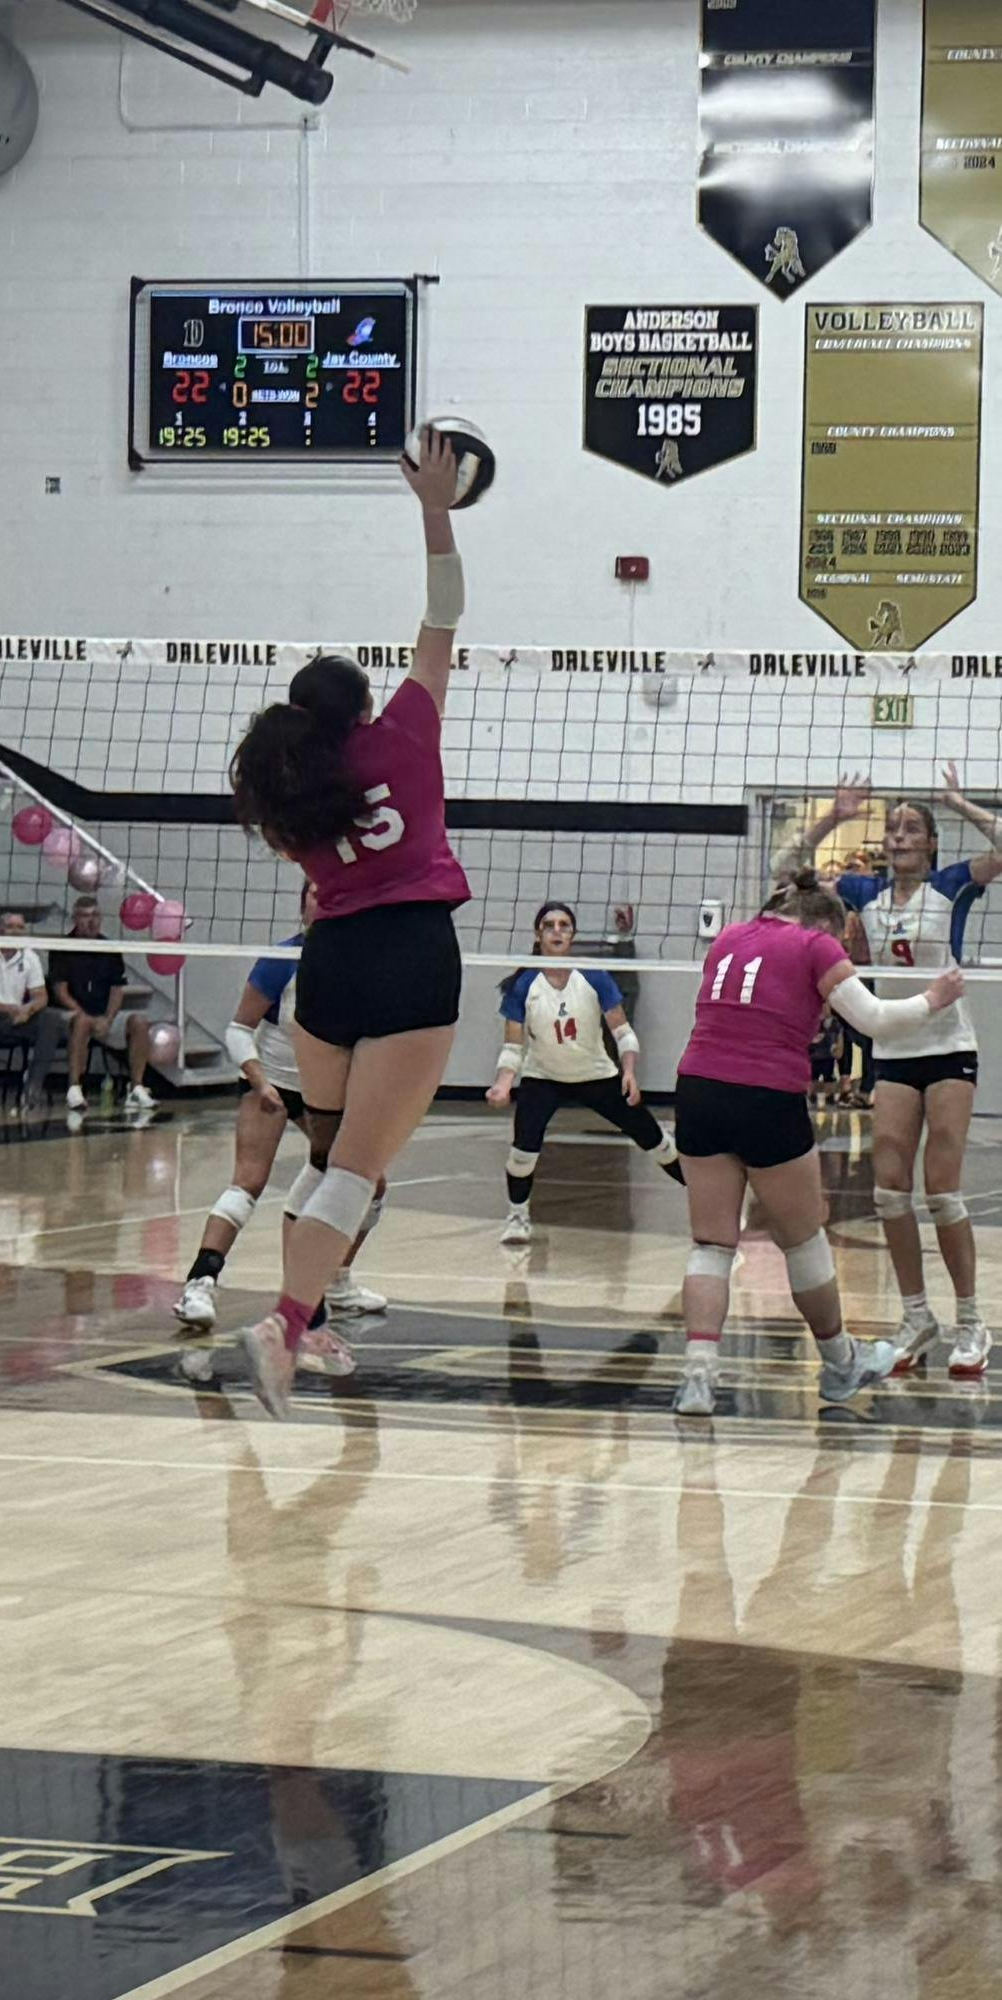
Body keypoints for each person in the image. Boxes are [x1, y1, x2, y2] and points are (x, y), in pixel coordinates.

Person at [229, 426, 469, 1417]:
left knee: (329, 1160)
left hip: (324, 967)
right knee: (358, 1174)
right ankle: (285, 1324)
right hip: (409, 955)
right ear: (364, 703)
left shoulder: (293, 789)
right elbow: (443, 614)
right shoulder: (402, 732)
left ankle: (305, 1319)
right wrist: (434, 509)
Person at [671, 869, 964, 1418]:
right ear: (827, 925)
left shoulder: (730, 937)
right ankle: (840, 1362)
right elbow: (874, 1020)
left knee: (711, 1243)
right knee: (804, 1237)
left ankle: (697, 1380)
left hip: (697, 1087)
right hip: (766, 1094)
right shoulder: (815, 944)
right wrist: (934, 998)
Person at [784, 765, 1002, 1374]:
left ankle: (971, 1321)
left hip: (948, 1047)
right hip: (895, 1051)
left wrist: (960, 803)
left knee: (943, 1191)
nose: (899, 837)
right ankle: (916, 1316)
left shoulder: (953, 886)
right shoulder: (863, 892)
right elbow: (789, 872)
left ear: (930, 843)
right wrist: (834, 817)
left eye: (911, 829)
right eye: (893, 829)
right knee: (888, 1190)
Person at [172, 884, 387, 1366]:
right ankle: (200, 1284)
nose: (323, 899)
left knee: (370, 1183)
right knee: (248, 1181)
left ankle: (337, 1282)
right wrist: (260, 1081)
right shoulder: (282, 958)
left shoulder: (360, 960)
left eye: (330, 893)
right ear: (302, 903)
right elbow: (238, 1029)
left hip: (325, 1093)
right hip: (272, 1082)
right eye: (313, 893)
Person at [486, 900, 683, 1244]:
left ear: (573, 935)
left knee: (655, 1141)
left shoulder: (592, 976)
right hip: (543, 1077)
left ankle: (702, 1197)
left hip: (597, 1075)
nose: (557, 931)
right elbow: (513, 1047)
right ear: (538, 934)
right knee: (522, 1154)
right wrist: (503, 1084)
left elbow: (623, 1033)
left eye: (564, 925)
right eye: (549, 925)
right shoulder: (524, 985)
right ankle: (517, 1218)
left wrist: (629, 1071)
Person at [49, 896, 155, 1112]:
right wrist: (85, 1015)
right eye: (85, 916)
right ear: (75, 919)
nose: (91, 921)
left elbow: (117, 990)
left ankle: (136, 1088)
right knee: (82, 1022)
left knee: (139, 1022)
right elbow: (61, 992)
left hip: (103, 1015)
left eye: (95, 915)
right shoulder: (62, 948)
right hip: (71, 1014)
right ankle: (74, 1089)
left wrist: (108, 1018)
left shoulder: (109, 948)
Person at [0, 910, 66, 1114]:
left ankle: (34, 1082)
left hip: (15, 1018)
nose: (16, 932)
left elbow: (41, 996)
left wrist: (28, 1009)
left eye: (20, 927)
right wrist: (7, 1009)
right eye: (10, 927)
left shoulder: (30, 956)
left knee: (51, 1017)